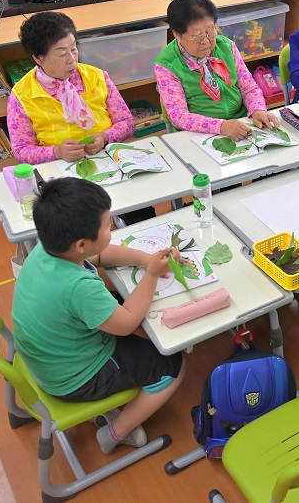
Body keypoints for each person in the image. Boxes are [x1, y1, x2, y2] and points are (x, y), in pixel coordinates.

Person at [11, 178, 185, 454]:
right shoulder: (78, 287)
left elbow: (101, 257)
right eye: (107, 225)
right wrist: (151, 273)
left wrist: (143, 259)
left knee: (124, 304)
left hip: (49, 359)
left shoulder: (46, 251)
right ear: (81, 244)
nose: (113, 227)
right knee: (172, 365)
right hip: (75, 378)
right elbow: (127, 323)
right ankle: (114, 433)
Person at [7, 11, 135, 165]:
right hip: (59, 166)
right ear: (38, 58)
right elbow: (21, 150)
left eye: (73, 49)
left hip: (107, 156)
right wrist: (57, 152)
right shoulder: (22, 95)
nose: (72, 60)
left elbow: (127, 122)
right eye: (62, 54)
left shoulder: (97, 77)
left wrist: (104, 137)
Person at [155, 0, 279, 140]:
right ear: (177, 34)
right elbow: (179, 117)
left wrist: (257, 110)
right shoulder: (167, 65)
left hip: (241, 123)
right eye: (197, 35)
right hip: (198, 134)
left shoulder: (226, 46)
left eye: (210, 31)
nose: (206, 41)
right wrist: (222, 126)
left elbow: (249, 87)